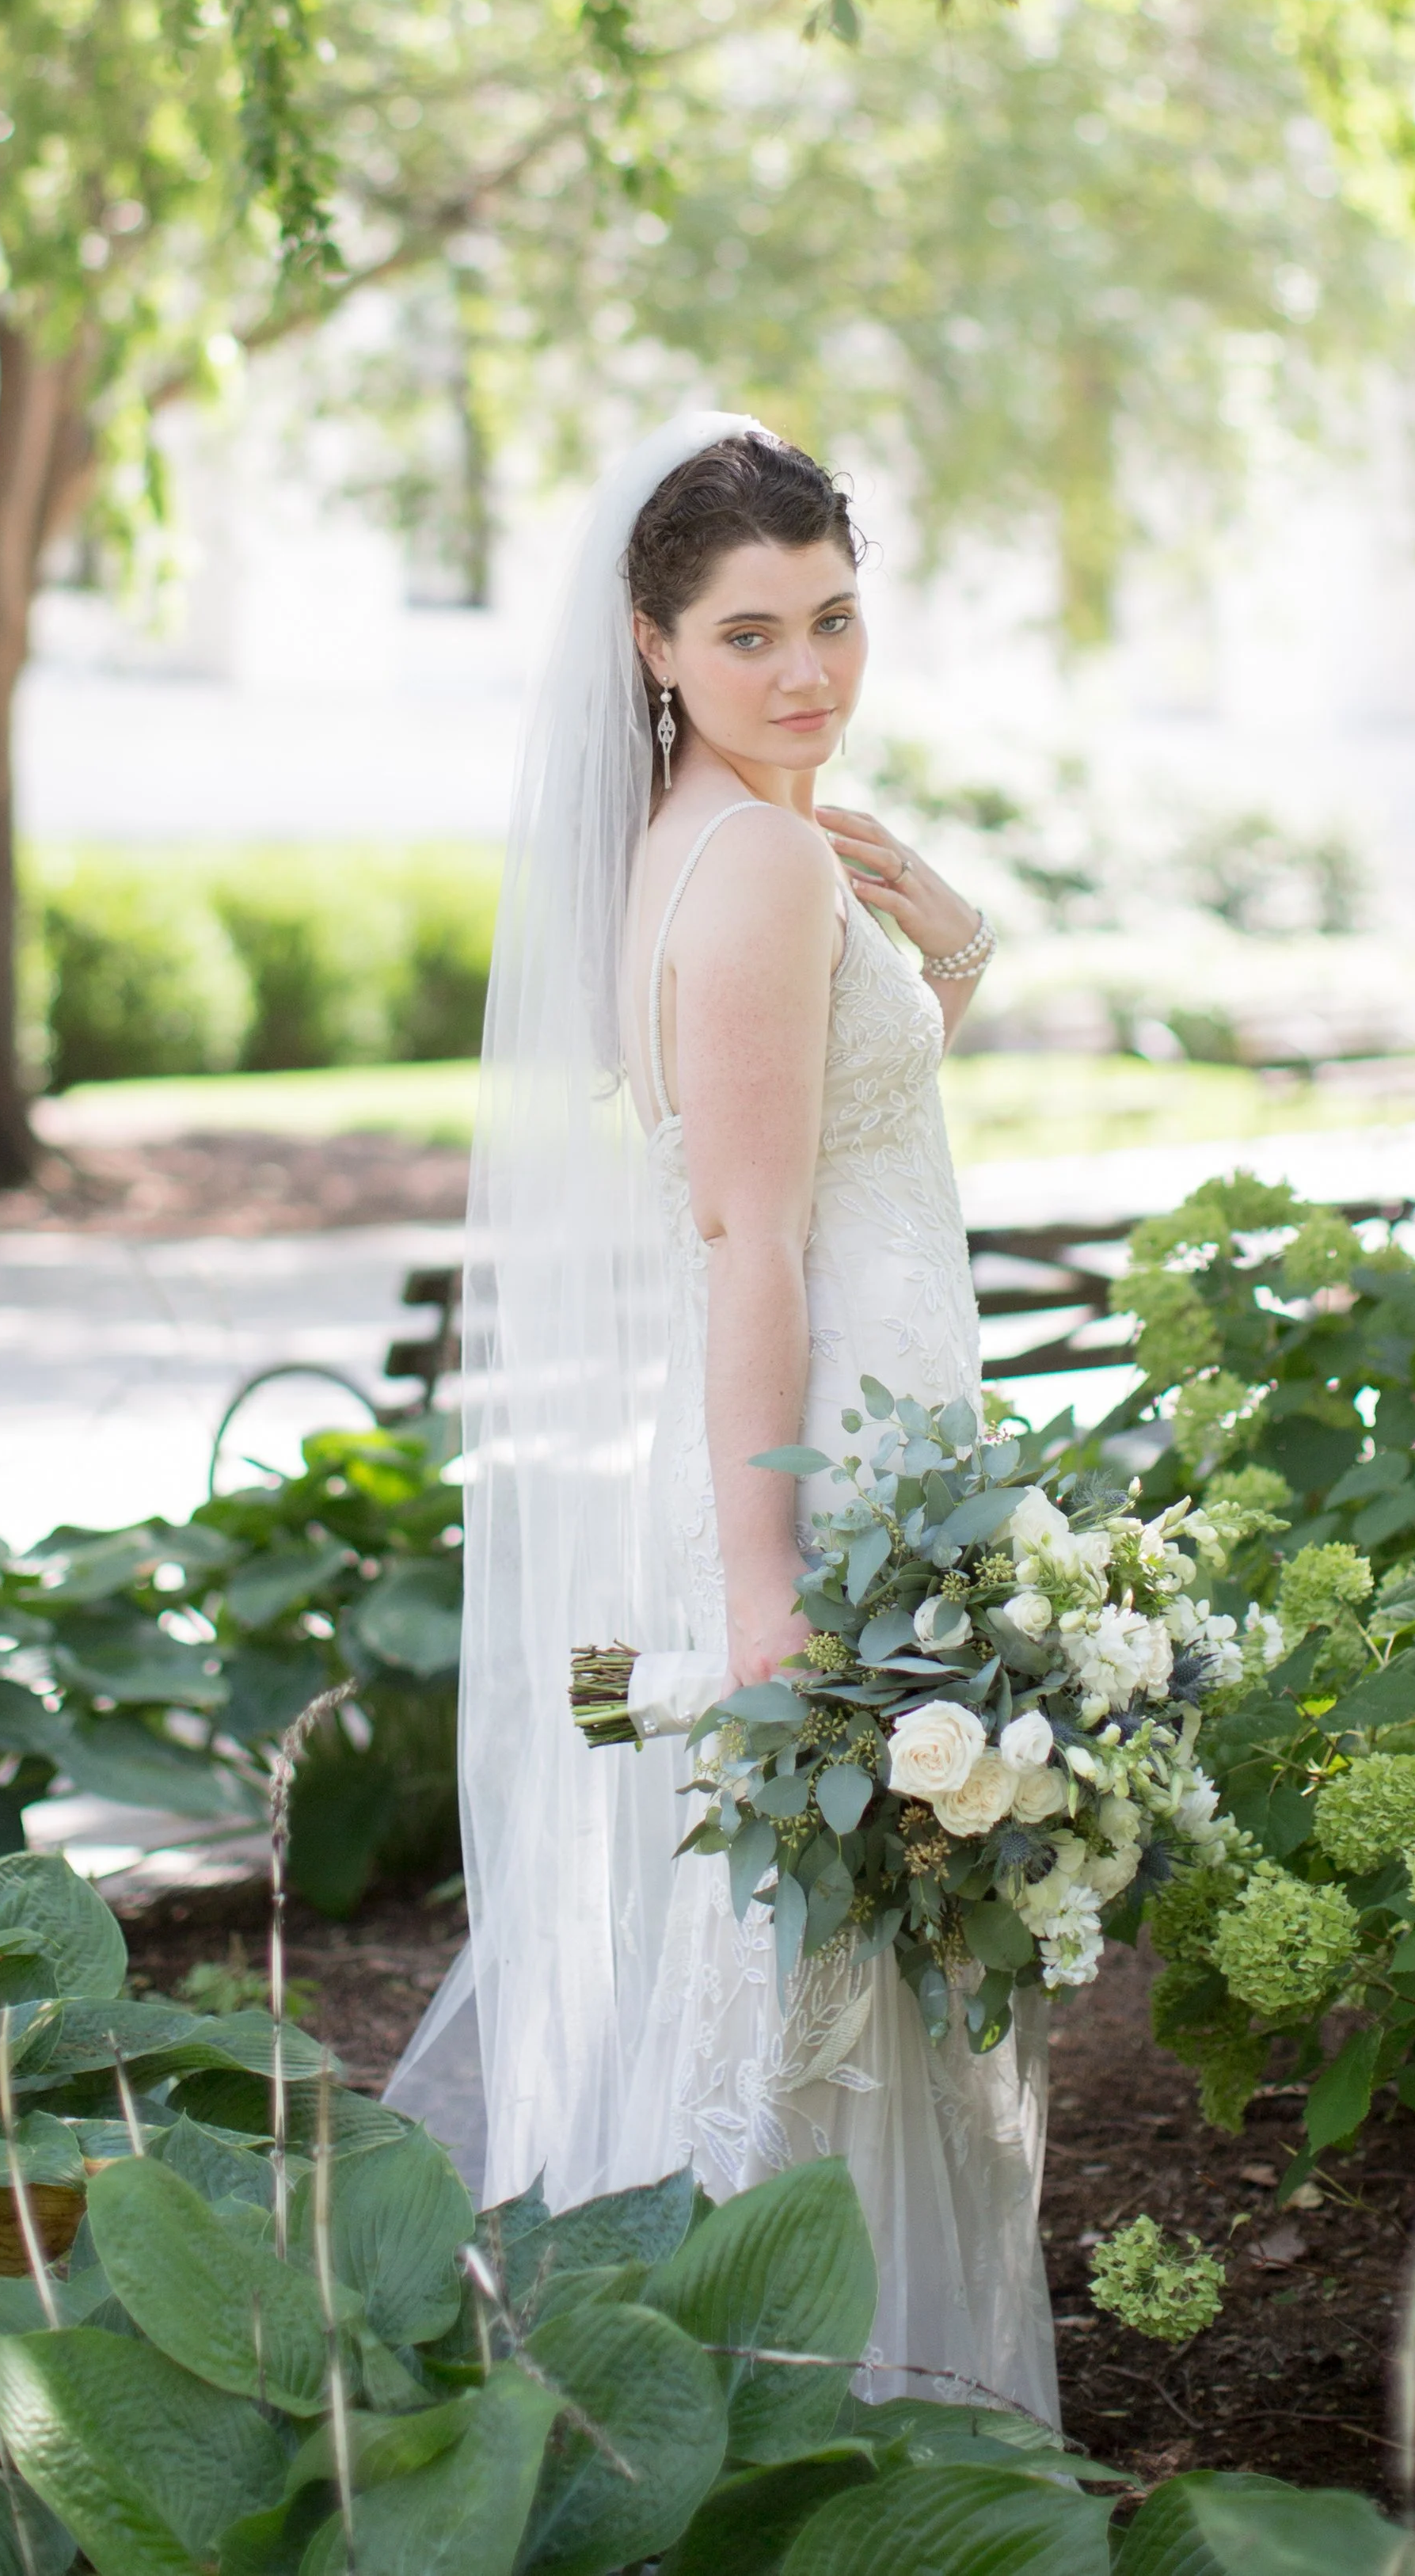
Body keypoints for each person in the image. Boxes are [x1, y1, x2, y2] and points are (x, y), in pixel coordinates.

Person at [386, 413, 1056, 2424]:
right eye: (751, 633)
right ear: (652, 643)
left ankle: (773, 2411)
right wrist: (769, 1592)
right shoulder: (757, 855)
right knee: (825, 1977)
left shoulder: (708, 837)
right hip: (816, 1469)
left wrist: (946, 943)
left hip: (829, 1439)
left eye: (836, 621)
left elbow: (829, 1127)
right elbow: (748, 1235)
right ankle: (824, 2418)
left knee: (820, 1951)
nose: (808, 677)